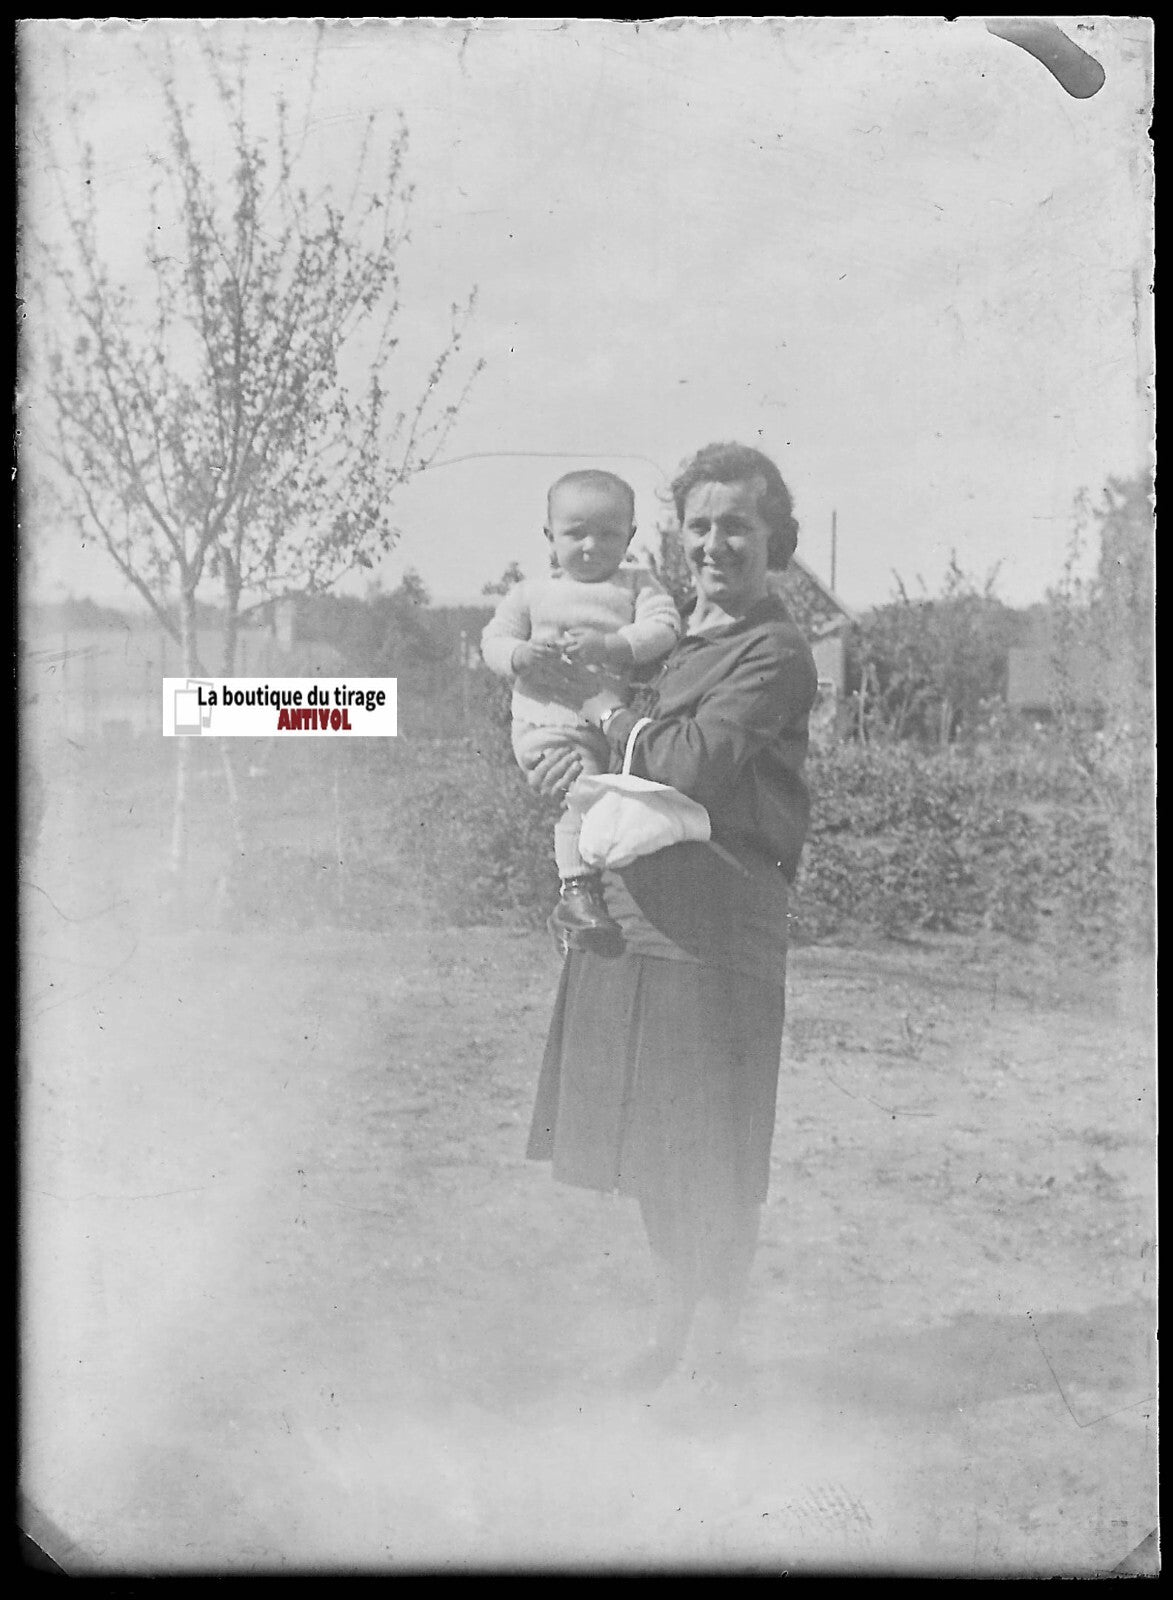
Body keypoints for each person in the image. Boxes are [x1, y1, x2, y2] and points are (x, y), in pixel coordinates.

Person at [523, 442, 819, 1390]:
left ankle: (715, 1351)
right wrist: (568, 763)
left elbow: (688, 763)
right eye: (698, 525)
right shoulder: (678, 642)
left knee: (712, 1151)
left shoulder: (773, 648)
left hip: (717, 933)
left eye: (738, 524)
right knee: (654, 1150)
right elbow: (634, 764)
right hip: (639, 921)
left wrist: (605, 710)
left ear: (775, 539)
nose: (714, 543)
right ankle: (669, 1334)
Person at [480, 469, 682, 949]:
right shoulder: (532, 592)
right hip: (549, 723)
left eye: (608, 534)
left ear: (630, 536)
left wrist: (614, 644)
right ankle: (576, 891)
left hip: (606, 726)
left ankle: (586, 895)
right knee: (588, 795)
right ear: (550, 537)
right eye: (576, 534)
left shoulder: (637, 585)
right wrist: (520, 656)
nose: (591, 546)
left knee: (604, 800)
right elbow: (494, 639)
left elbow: (665, 626)